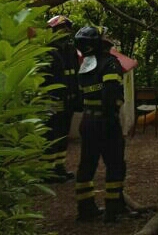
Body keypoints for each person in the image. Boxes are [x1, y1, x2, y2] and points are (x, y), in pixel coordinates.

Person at [73, 25, 129, 222]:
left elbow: (81, 97)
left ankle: (85, 208)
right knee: (115, 165)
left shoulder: (85, 65)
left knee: (87, 165)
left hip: (87, 122)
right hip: (106, 121)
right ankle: (113, 209)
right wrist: (111, 116)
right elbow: (110, 93)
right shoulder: (110, 63)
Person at [44, 15, 80, 184]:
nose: (66, 31)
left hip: (69, 99)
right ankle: (48, 171)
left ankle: (59, 168)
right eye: (62, 28)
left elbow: (75, 75)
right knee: (52, 133)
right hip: (53, 100)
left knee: (63, 133)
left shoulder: (70, 50)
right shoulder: (46, 51)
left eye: (67, 28)